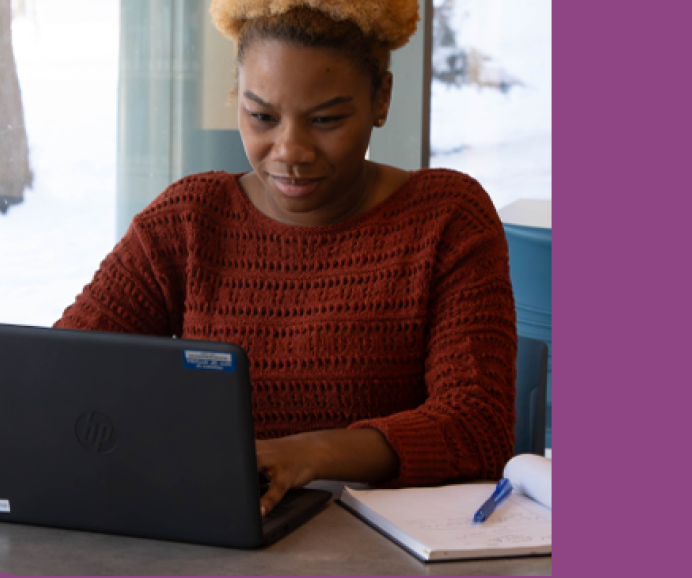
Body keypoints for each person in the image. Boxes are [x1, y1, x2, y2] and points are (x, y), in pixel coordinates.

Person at [55, 0, 516, 517]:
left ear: (381, 98)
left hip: (383, 559)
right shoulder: (189, 219)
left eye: (325, 119)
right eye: (262, 116)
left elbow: (478, 427)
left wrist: (310, 454)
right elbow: (65, 375)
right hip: (218, 543)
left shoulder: (447, 218)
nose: (289, 149)